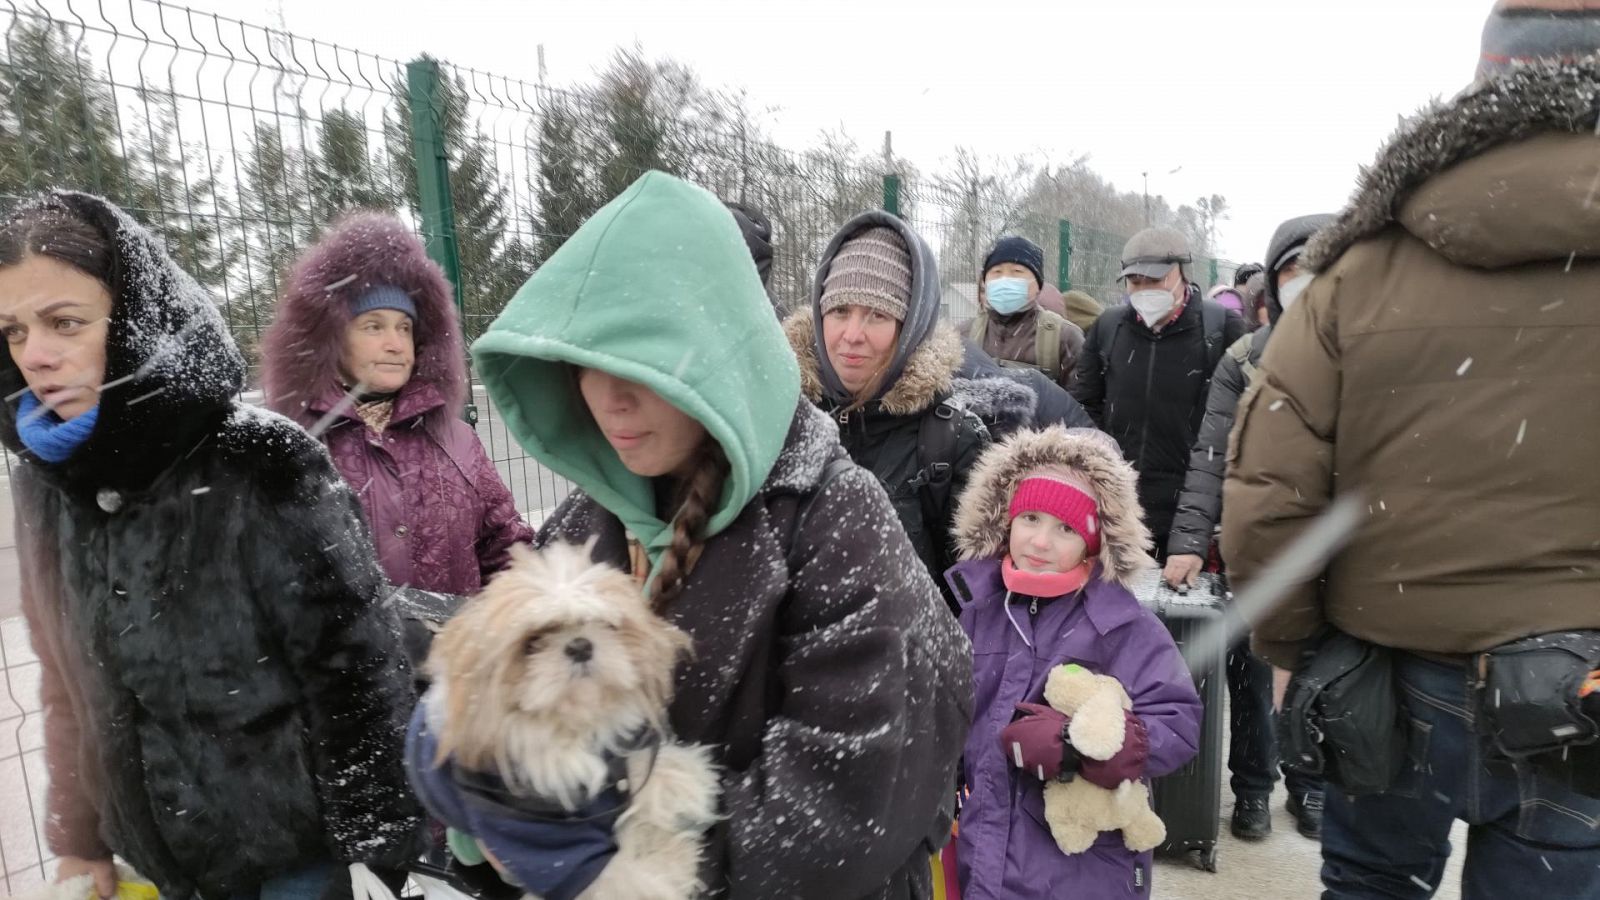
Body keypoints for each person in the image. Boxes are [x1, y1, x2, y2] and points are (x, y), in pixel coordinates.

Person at [464, 171, 972, 898]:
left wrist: (622, 860)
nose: (610, 398)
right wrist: (485, 807)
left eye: (640, 363)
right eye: (585, 363)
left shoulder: (839, 524)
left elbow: (851, 803)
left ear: (717, 356)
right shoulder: (585, 524)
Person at [1223, 9, 1600, 895]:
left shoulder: (1361, 267)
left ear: (1484, 87)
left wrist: (1301, 647)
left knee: (1371, 886)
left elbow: (1270, 494)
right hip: (1583, 685)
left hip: (1391, 675)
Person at [2, 193, 419, 900]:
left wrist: (378, 852)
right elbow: (63, 682)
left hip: (291, 865)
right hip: (151, 862)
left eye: (65, 323)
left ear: (134, 319)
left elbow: (356, 670)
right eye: (12, 331)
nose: (35, 355)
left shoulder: (257, 460)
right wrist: (80, 840)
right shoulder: (43, 481)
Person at [945, 426, 1201, 900]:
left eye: (1065, 528)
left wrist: (1079, 747)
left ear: (1095, 542)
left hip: (1083, 870)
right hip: (982, 853)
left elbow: (1178, 724)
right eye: (1030, 518)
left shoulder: (1124, 628)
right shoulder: (979, 613)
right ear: (1005, 520)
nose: (1040, 542)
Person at [1162, 214, 1335, 842]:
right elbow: (1210, 456)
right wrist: (1186, 542)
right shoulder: (1245, 360)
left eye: (1322, 265)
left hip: (1340, 549)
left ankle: (1313, 785)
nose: (1307, 281)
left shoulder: (1372, 350)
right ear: (1274, 281)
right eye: (1293, 268)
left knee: (1327, 677)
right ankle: (1255, 789)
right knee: (1256, 676)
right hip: (1259, 548)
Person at [262, 212, 533, 606]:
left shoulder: (457, 440)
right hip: (351, 667)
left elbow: (508, 550)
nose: (395, 344)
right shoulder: (295, 445)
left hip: (453, 662)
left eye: (404, 327)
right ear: (333, 340)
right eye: (373, 326)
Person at [784, 212, 993, 607]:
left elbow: (974, 610)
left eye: (877, 315)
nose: (852, 336)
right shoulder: (782, 419)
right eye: (840, 311)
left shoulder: (952, 441)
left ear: (910, 326)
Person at [1071, 226, 1247, 558]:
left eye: (1156, 280)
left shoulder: (1221, 328)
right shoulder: (1109, 328)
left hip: (1195, 510)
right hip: (1118, 510)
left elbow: (1240, 419)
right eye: (1135, 282)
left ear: (1183, 273)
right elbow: (1085, 405)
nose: (1145, 290)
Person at [964, 236, 1085, 390]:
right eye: (996, 271)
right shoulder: (964, 334)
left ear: (1038, 284)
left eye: (1017, 271)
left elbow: (1081, 406)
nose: (1005, 279)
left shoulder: (1065, 337)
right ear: (985, 281)